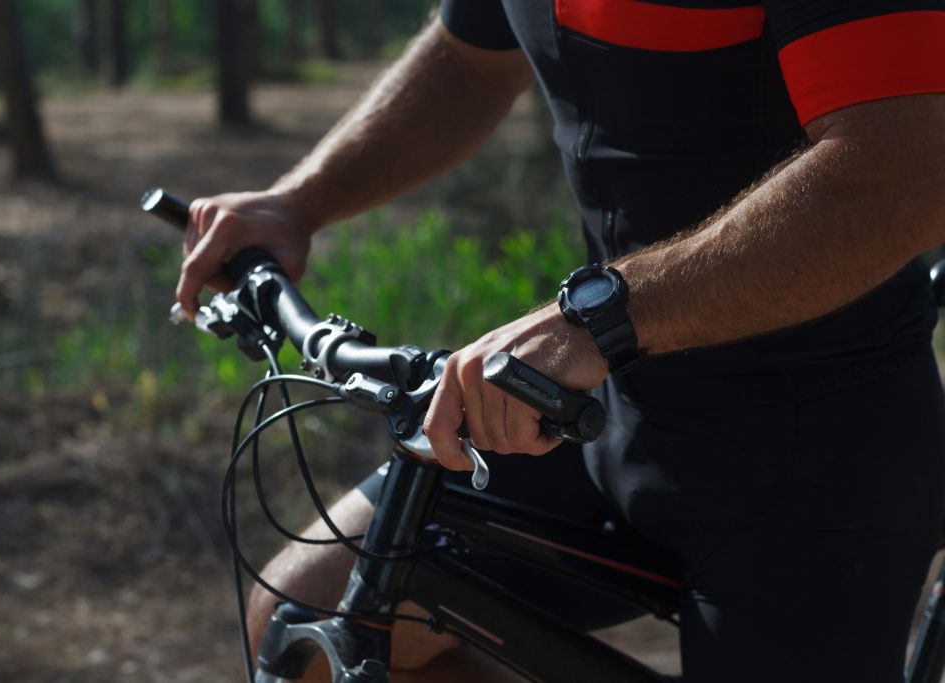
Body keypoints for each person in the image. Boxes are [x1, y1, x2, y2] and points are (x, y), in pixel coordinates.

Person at [177, 2, 945, 681]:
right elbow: (468, 63)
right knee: (311, 621)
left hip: (819, 454)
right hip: (607, 410)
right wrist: (299, 200)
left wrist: (600, 318)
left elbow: (907, 171)